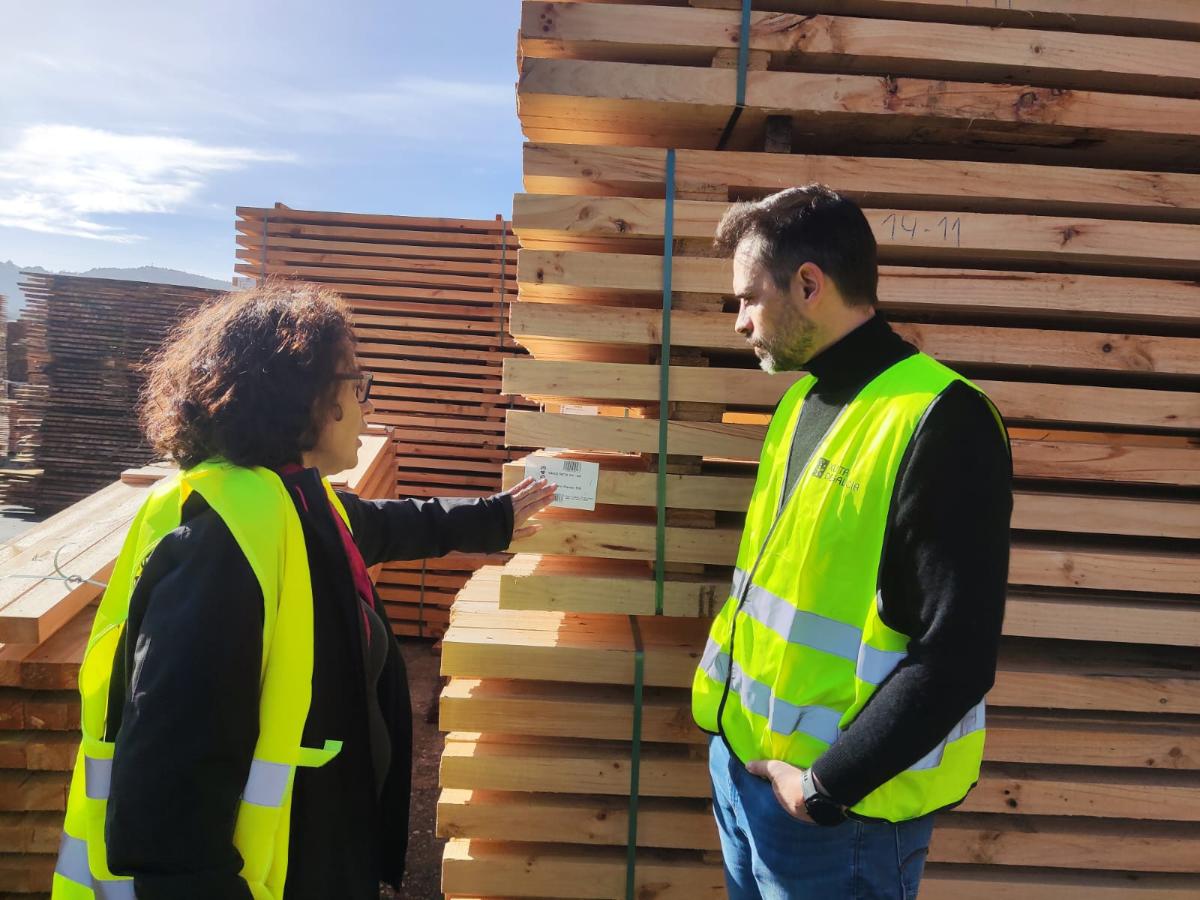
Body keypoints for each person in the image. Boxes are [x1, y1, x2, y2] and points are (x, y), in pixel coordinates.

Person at [51, 281, 557, 900]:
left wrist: (499, 515)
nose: (366, 408)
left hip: (312, 848)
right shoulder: (223, 541)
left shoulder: (293, 501)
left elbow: (387, 525)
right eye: (355, 383)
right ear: (302, 394)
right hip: (263, 875)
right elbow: (168, 785)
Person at [691, 186, 1012, 899]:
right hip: (745, 776)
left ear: (810, 285)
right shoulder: (800, 403)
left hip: (838, 822)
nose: (740, 322)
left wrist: (823, 788)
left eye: (749, 298)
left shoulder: (943, 421)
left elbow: (956, 658)